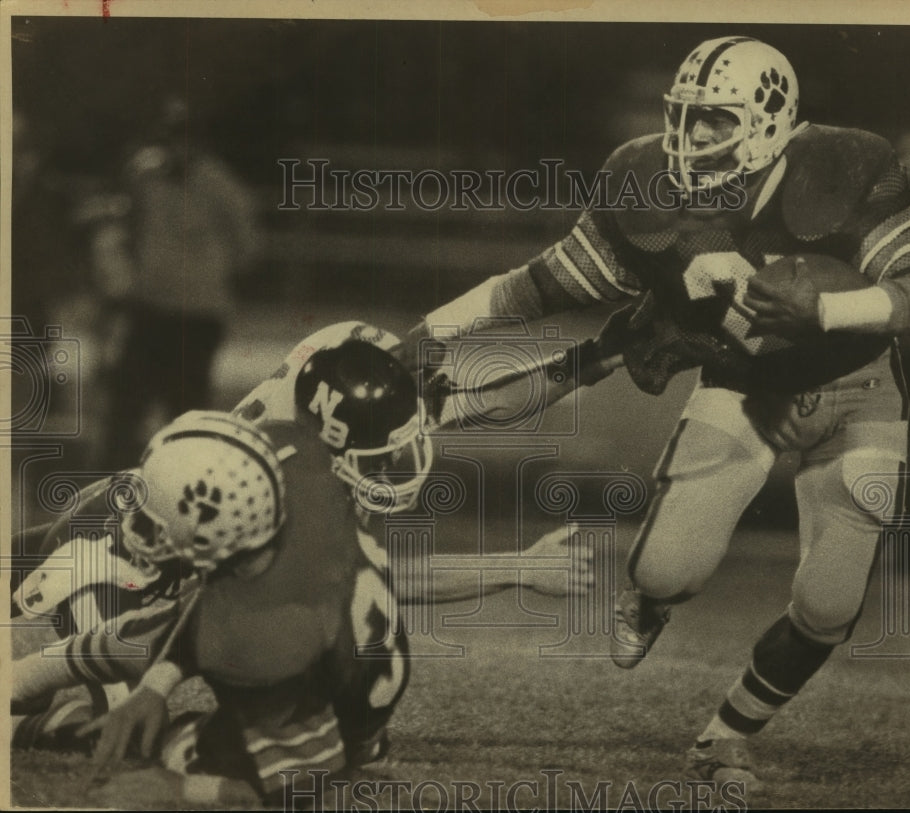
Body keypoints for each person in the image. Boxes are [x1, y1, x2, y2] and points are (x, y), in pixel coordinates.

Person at [396, 36, 910, 791]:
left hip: (857, 388)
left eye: (715, 121)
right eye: (684, 119)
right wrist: (436, 332)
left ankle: (725, 735)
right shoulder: (644, 197)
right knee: (668, 567)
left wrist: (824, 308)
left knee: (828, 605)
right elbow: (541, 289)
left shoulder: (847, 164)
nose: (692, 139)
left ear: (769, 117)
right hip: (738, 386)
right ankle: (649, 596)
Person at [12, 331, 591, 806]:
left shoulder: (316, 456)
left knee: (163, 687)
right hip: (116, 556)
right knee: (117, 715)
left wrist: (595, 357)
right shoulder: (288, 481)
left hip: (192, 579)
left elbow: (481, 401)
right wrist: (516, 566)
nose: (397, 459)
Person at [100, 93, 261, 470]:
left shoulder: (221, 185)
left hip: (197, 315)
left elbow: (248, 247)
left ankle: (182, 481)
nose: (177, 145)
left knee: (186, 408)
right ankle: (112, 483)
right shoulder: (143, 176)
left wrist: (206, 271)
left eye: (185, 136)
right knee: (126, 401)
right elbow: (125, 226)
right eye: (170, 136)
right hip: (151, 308)